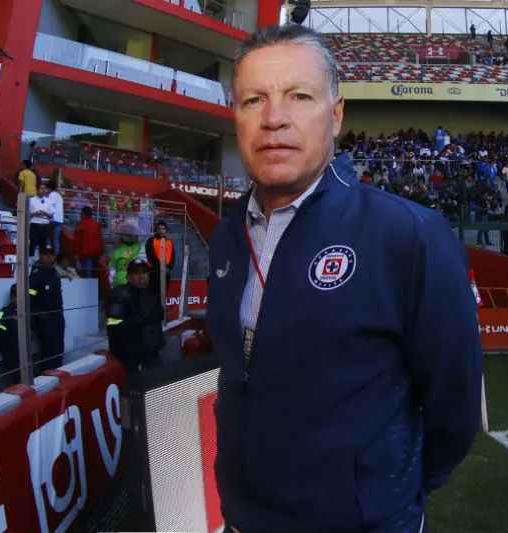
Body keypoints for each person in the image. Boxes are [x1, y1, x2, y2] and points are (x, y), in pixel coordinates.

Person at [205, 25, 482, 533]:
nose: (273, 118)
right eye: (253, 100)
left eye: (299, 96)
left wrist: (382, 499)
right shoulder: (227, 237)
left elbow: (455, 403)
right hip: (245, 519)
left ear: (335, 116)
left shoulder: (408, 233)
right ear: (236, 116)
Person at [105, 258, 165, 373]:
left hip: (152, 357)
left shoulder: (151, 297)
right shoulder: (121, 297)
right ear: (128, 277)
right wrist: (137, 320)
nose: (142, 276)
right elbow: (113, 329)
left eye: (144, 272)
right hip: (132, 361)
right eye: (136, 272)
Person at [29, 244, 65, 373]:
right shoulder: (36, 273)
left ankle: (58, 370)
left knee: (59, 346)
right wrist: (37, 315)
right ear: (41, 256)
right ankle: (47, 373)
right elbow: (31, 296)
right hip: (44, 316)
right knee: (48, 349)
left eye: (52, 254)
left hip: (57, 314)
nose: (50, 257)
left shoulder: (55, 272)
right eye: (46, 254)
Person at [0, 283, 21, 386]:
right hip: (12, 356)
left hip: (25, 355)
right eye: (17, 297)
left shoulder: (27, 311)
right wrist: (9, 351)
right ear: (12, 297)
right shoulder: (4, 313)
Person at [145, 221, 175, 299]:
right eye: (159, 228)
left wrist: (169, 267)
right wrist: (160, 266)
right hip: (154, 271)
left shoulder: (169, 242)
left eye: (163, 229)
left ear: (166, 230)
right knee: (153, 293)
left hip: (166, 271)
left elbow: (172, 256)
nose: (161, 230)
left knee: (164, 293)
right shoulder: (151, 241)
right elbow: (150, 256)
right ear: (156, 230)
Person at [73, 206, 104, 278]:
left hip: (85, 255)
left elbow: (77, 241)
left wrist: (76, 254)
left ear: (83, 214)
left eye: (81, 213)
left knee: (86, 277)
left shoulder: (80, 224)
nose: (80, 215)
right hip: (96, 255)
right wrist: (101, 252)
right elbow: (100, 240)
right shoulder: (96, 224)